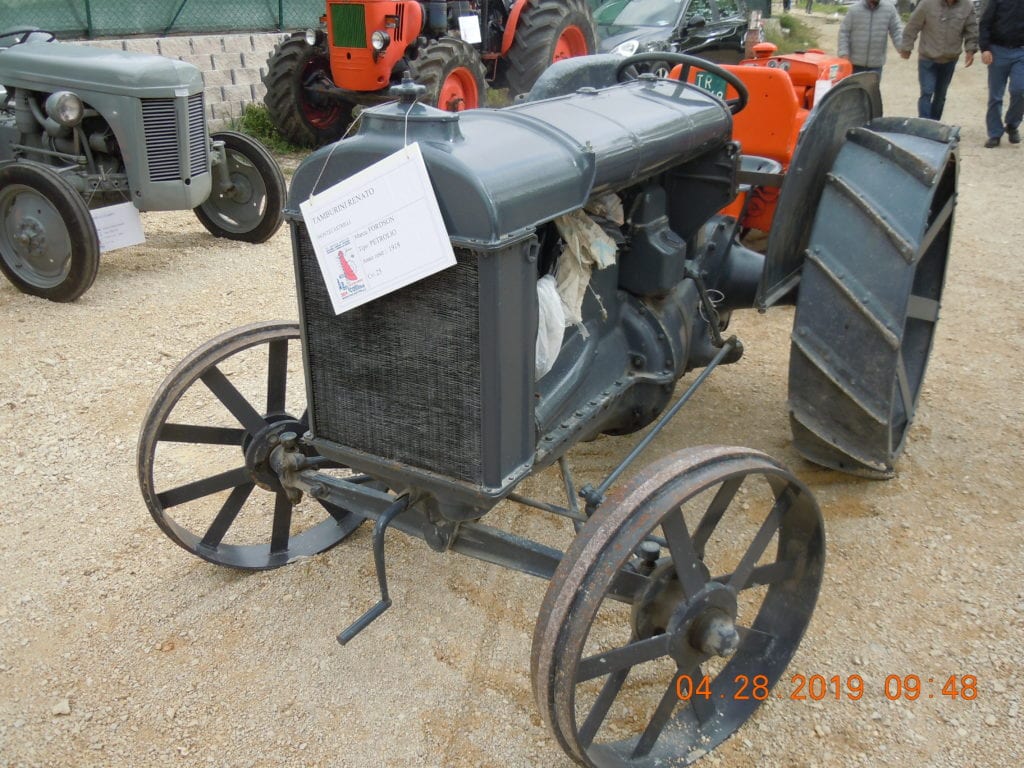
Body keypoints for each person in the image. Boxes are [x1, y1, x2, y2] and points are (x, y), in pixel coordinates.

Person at [898, 0, 978, 120]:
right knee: (927, 92)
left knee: (940, 96)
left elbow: (971, 30)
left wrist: (970, 50)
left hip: (950, 59)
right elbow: (913, 25)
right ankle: (924, 126)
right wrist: (906, 47)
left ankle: (934, 125)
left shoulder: (967, 6)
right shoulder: (927, 4)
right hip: (927, 58)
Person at [979, 0, 1024, 147]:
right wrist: (985, 48)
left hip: (1021, 51)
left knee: (1020, 90)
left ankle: (1012, 124)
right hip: (998, 51)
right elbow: (985, 23)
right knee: (995, 95)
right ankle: (994, 133)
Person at [838, 0, 903, 76]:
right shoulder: (854, 10)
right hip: (854, 64)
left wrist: (902, 47)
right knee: (853, 87)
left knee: (872, 88)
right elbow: (844, 32)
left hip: (876, 65)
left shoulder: (889, 9)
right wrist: (843, 53)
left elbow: (896, 30)